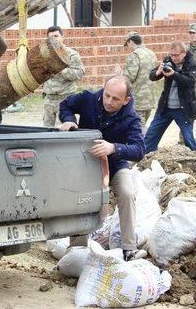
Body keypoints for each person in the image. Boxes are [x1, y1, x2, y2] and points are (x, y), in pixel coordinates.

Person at [58, 75, 145, 261]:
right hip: (87, 163)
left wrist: (114, 147)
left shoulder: (131, 118)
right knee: (82, 198)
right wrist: (69, 120)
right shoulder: (88, 99)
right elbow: (65, 105)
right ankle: (76, 249)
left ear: (126, 100)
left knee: (128, 193)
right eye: (107, 95)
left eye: (116, 99)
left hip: (115, 164)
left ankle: (129, 248)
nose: (109, 102)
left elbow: (139, 150)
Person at [144, 41, 196, 153]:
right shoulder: (168, 60)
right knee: (150, 136)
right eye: (171, 55)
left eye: (176, 55)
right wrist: (158, 72)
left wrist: (174, 74)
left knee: (188, 139)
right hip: (165, 107)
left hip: (183, 109)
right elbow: (152, 76)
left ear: (184, 53)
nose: (173, 58)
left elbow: (190, 81)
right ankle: (142, 159)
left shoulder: (191, 63)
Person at [42, 26, 85, 127]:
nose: (54, 39)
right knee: (45, 131)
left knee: (61, 131)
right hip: (49, 99)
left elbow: (80, 73)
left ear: (62, 37)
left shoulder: (71, 55)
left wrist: (62, 70)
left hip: (65, 99)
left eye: (56, 36)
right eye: (51, 37)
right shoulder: (45, 55)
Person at [122, 32, 158, 126]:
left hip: (138, 98)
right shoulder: (151, 53)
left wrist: (120, 74)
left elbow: (130, 77)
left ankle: (142, 141)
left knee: (138, 127)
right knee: (143, 124)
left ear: (130, 42)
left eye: (127, 44)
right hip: (150, 97)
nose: (127, 47)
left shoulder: (135, 55)